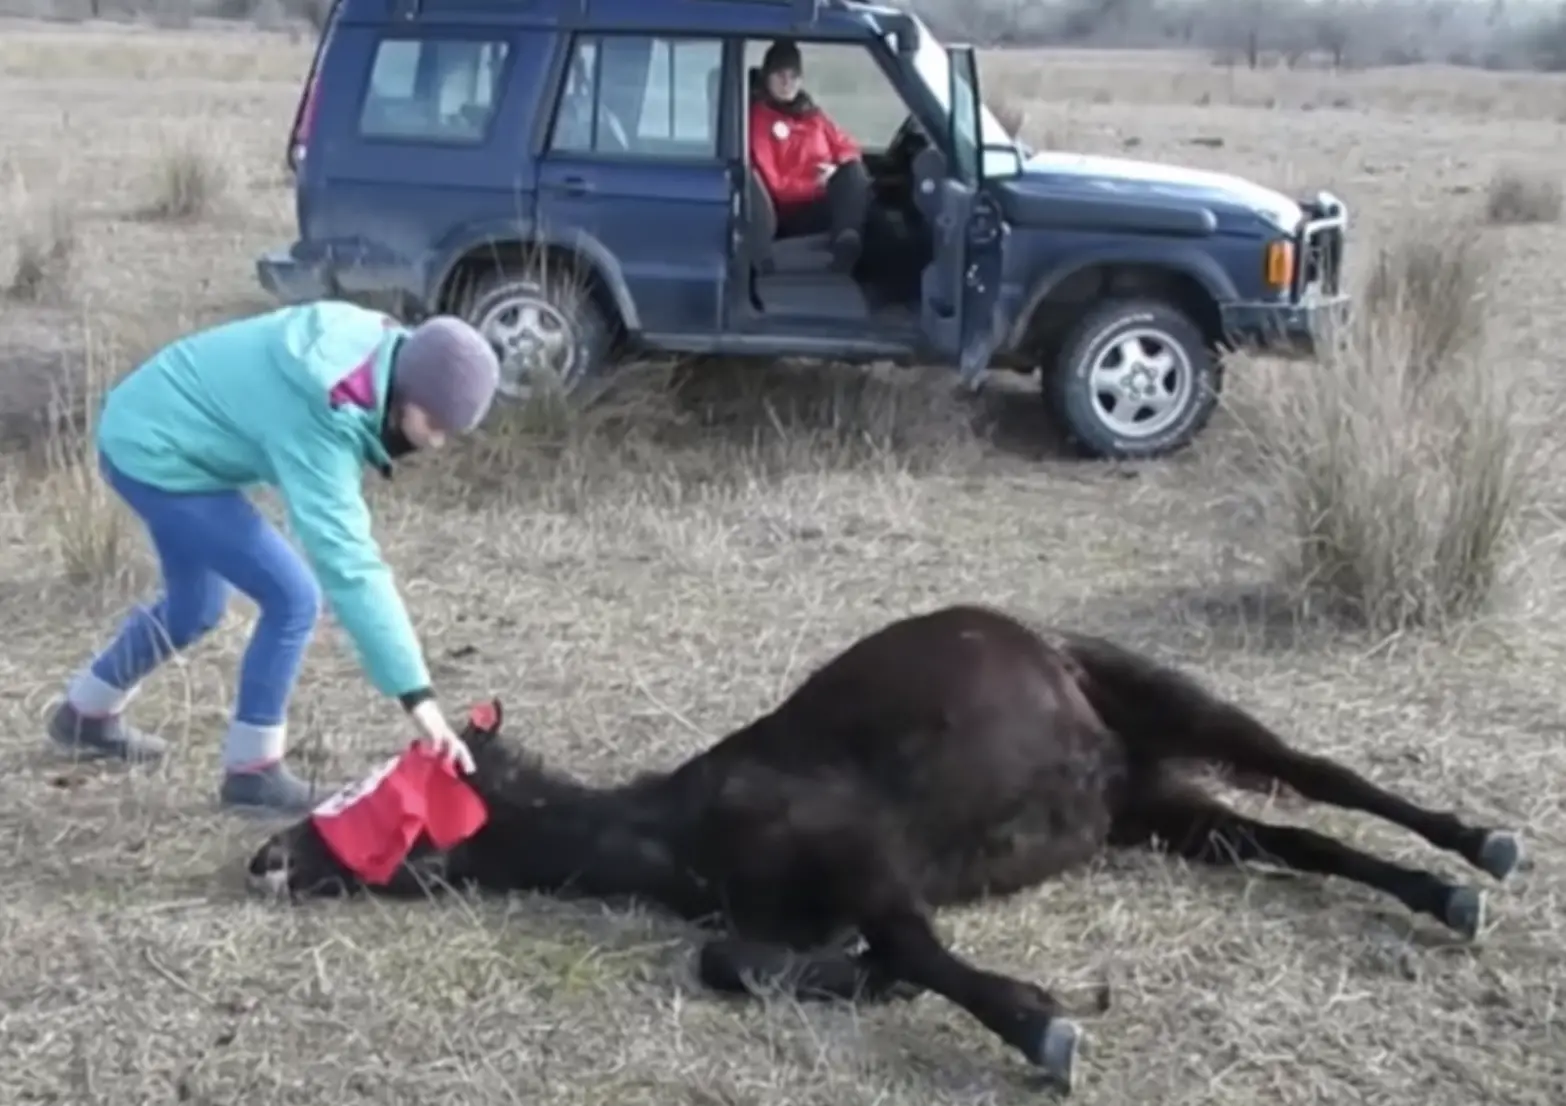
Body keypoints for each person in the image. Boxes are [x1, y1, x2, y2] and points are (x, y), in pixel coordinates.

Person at [44, 300, 502, 816]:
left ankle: (85, 714)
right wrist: (421, 703)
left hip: (152, 422)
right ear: (405, 395)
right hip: (155, 450)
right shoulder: (320, 410)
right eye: (434, 424)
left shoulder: (377, 351)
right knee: (292, 597)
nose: (436, 444)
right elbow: (350, 567)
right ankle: (253, 773)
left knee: (196, 606)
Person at [748, 38, 873, 274]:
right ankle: (848, 252)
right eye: (780, 75)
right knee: (875, 221)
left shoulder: (812, 114)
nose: (787, 83)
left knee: (856, 174)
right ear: (767, 77)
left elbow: (847, 146)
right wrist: (820, 185)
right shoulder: (760, 120)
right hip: (794, 211)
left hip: (825, 194)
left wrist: (837, 170)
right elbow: (777, 186)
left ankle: (847, 242)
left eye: (793, 76)